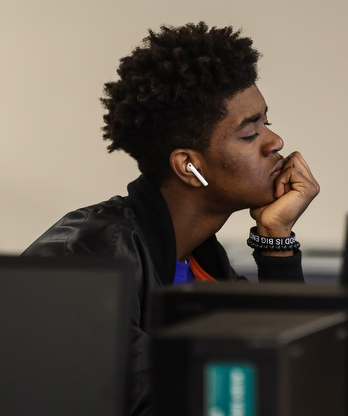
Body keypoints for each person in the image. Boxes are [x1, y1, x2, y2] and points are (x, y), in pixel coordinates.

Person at [22, 22, 319, 415]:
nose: (275, 142)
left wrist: (275, 234)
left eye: (267, 121)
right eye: (250, 134)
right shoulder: (87, 261)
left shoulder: (201, 259)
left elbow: (290, 373)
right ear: (188, 167)